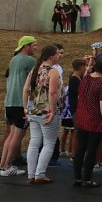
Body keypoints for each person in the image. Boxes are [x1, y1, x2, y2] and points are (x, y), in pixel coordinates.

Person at [23, 45, 61, 184]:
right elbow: (52, 92)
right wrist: (53, 110)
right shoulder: (53, 72)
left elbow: (26, 89)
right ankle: (40, 174)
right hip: (46, 111)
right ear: (51, 56)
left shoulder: (35, 69)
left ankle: (31, 174)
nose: (58, 56)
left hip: (33, 110)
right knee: (49, 143)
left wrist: (25, 108)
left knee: (34, 142)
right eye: (57, 54)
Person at [1, 36, 38, 177]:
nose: (35, 48)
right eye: (34, 45)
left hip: (9, 102)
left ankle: (3, 165)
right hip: (20, 102)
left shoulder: (13, 59)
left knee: (11, 134)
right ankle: (8, 165)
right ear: (26, 46)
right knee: (17, 135)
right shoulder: (30, 61)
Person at [73, 56, 102, 187]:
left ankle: (77, 177)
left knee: (81, 148)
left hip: (82, 117)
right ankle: (87, 178)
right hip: (94, 119)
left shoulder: (85, 79)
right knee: (91, 150)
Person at [60, 58, 86, 159]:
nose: (85, 68)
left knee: (77, 131)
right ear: (81, 67)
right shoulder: (74, 79)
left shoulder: (76, 78)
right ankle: (74, 155)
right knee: (77, 132)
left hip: (77, 108)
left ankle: (75, 154)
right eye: (84, 66)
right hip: (76, 108)